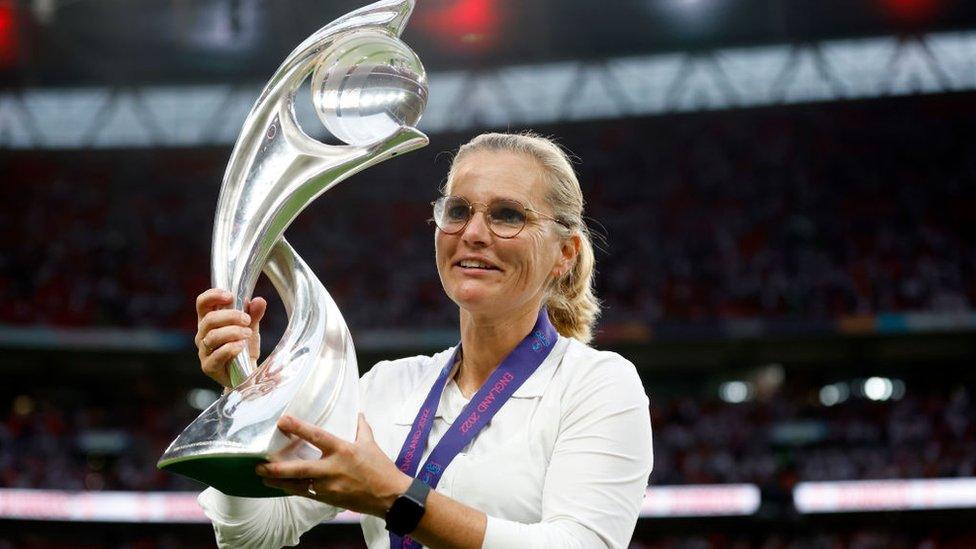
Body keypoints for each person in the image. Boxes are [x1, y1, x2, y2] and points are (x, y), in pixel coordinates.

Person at [193, 132, 654, 548]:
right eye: (458, 210)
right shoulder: (386, 386)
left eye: (507, 215)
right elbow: (254, 535)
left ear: (565, 254)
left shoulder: (597, 385)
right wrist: (244, 395)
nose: (473, 234)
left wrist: (396, 497)